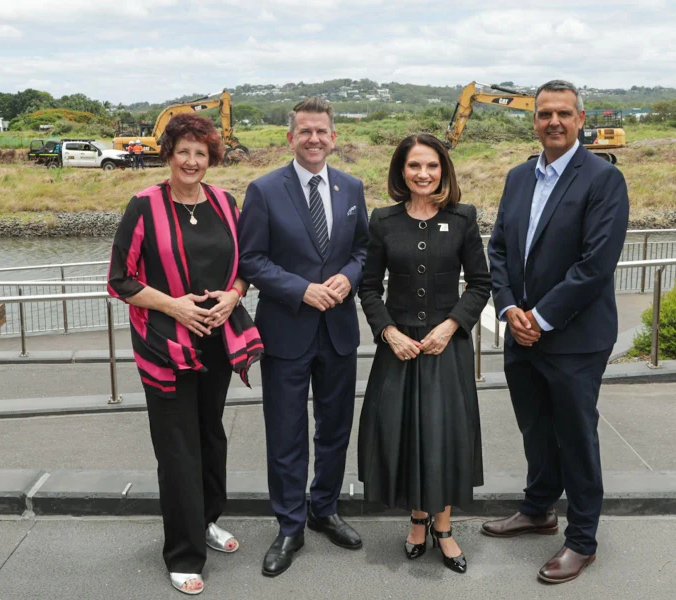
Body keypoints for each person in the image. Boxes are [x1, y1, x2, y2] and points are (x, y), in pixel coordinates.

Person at [107, 113, 263, 596]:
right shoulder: (143, 206)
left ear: (210, 157)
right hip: (164, 347)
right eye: (183, 152)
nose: (192, 161)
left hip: (216, 340)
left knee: (210, 436)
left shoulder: (224, 202)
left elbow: (244, 266)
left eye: (201, 153)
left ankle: (206, 520)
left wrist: (234, 296)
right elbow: (120, 280)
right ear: (169, 155)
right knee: (177, 448)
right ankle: (182, 551)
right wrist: (174, 305)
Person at [484, 80, 629, 584]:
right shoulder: (518, 177)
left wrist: (539, 319)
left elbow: (595, 264)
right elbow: (498, 249)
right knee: (535, 428)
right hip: (519, 330)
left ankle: (583, 539)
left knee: (575, 435)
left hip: (574, 336)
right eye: (545, 114)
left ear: (580, 119)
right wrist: (508, 310)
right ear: (534, 119)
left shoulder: (603, 179)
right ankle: (539, 509)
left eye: (564, 114)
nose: (554, 122)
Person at [237, 97, 369, 577]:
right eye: (305, 131)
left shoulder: (351, 187)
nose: (314, 139)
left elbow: (362, 250)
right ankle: (290, 524)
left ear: (334, 137)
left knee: (334, 429)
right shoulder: (264, 190)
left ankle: (324, 507)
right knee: (287, 433)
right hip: (286, 331)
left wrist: (348, 277)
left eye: (322, 131)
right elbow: (250, 259)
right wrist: (302, 289)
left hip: (338, 331)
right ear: (289, 137)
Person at [357, 134, 490, 574]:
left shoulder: (463, 218)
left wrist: (451, 326)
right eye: (414, 166)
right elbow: (370, 287)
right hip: (399, 348)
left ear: (444, 170)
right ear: (401, 171)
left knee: (443, 436)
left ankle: (445, 528)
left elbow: (480, 284)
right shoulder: (383, 221)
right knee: (402, 434)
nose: (423, 174)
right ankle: (417, 521)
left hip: (444, 347)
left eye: (432, 166)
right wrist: (388, 332)